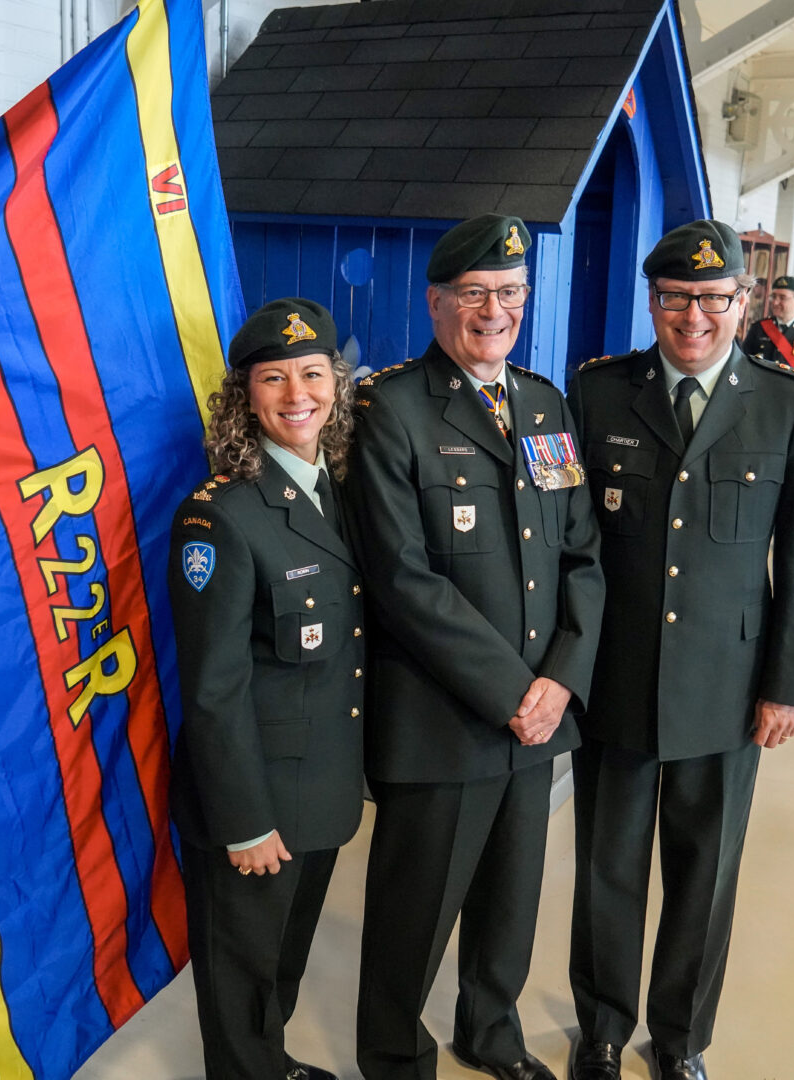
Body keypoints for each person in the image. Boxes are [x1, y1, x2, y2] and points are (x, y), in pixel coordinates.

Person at [343, 214, 605, 1080]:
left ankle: (490, 1033)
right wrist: (513, 692)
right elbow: (402, 577)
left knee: (509, 904)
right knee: (413, 912)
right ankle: (392, 1053)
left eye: (511, 294)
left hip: (538, 716)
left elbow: (582, 557)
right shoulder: (392, 409)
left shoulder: (544, 404)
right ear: (436, 301)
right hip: (445, 714)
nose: (496, 311)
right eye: (476, 293)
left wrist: (560, 682)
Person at [566, 220, 794, 1080]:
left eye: (713, 300)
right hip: (618, 678)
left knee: (704, 876)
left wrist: (787, 686)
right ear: (653, 301)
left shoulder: (784, 403)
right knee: (608, 868)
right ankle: (602, 1029)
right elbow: (572, 548)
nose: (693, 318)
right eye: (676, 299)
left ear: (742, 302)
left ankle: (679, 1041)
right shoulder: (600, 395)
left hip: (727, 684)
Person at [168, 298, 364, 1080]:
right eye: (274, 379)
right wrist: (244, 822)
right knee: (241, 977)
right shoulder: (219, 518)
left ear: (336, 387)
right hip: (254, 804)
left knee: (279, 970)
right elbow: (214, 691)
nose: (297, 395)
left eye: (314, 374)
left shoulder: (340, 492)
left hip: (318, 788)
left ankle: (269, 1065)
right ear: (244, 398)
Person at [742, 274, 794, 382]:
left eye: (782, 298)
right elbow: (743, 363)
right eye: (773, 296)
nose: (775, 302)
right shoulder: (759, 328)